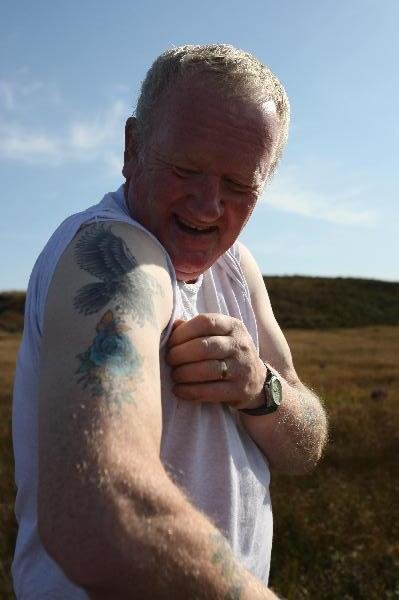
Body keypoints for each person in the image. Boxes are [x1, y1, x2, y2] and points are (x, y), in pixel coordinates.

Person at [12, 44, 328, 599]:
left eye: (238, 187)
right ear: (133, 147)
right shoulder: (114, 251)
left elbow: (304, 447)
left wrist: (260, 387)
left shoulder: (236, 266)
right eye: (186, 170)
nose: (208, 207)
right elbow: (101, 516)